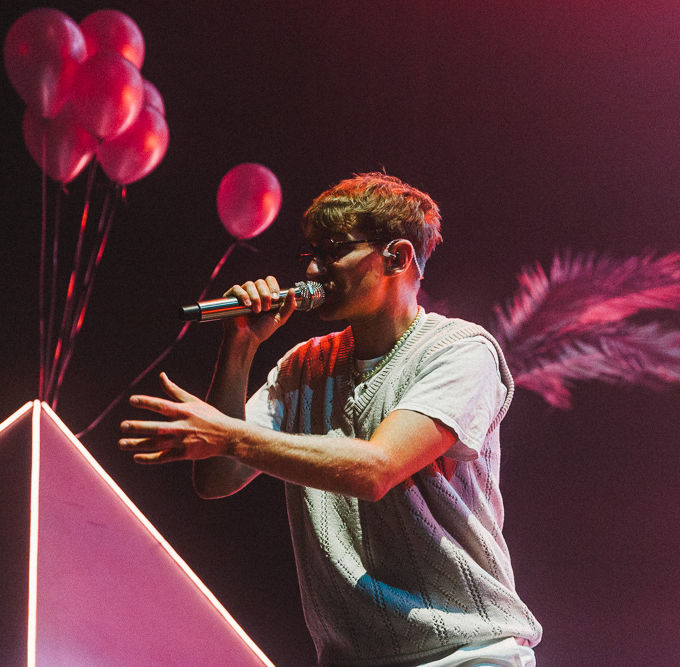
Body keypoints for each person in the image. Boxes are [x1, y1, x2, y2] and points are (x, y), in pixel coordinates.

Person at [119, 173, 542, 666]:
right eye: (312, 254)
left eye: (334, 250)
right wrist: (240, 345)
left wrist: (228, 435)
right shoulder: (304, 364)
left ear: (398, 257)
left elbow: (376, 469)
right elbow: (217, 477)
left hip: (465, 653)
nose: (315, 269)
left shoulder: (460, 352)